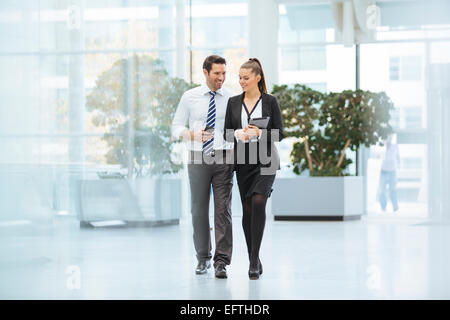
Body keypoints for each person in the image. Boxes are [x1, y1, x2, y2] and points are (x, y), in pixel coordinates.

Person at [172, 55, 235, 278]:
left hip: (223, 156)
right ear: (205, 72)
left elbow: (237, 127)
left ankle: (221, 262)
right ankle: (203, 258)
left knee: (222, 210)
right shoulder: (190, 97)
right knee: (198, 210)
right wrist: (190, 134)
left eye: (224, 73)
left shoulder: (231, 97)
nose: (221, 77)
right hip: (198, 157)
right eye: (217, 73)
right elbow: (176, 126)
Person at [224, 58, 284, 280]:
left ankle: (252, 262)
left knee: (259, 202)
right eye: (239, 77)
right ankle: (254, 257)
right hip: (243, 162)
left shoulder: (270, 101)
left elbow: (280, 133)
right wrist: (238, 134)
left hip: (266, 161)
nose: (241, 81)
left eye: (246, 78)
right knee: (248, 210)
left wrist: (259, 133)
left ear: (257, 78)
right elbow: (226, 134)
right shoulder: (233, 102)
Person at [377, 134, 400, 212]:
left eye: (390, 137)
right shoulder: (381, 147)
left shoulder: (395, 146)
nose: (388, 139)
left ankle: (395, 206)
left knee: (393, 189)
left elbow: (397, 158)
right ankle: (383, 207)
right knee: (382, 190)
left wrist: (397, 166)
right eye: (387, 137)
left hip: (392, 170)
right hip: (383, 170)